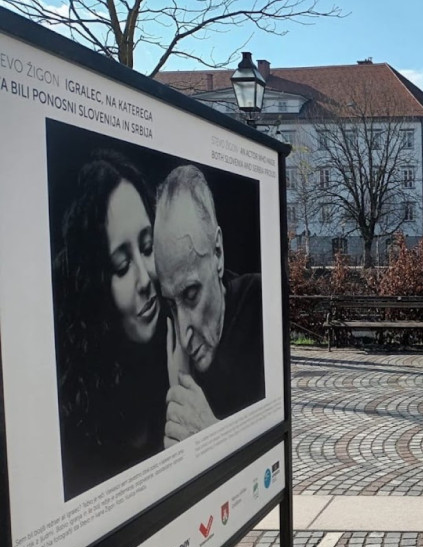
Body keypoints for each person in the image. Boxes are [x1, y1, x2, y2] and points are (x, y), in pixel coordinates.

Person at [52, 150, 167, 499]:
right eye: (121, 266)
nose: (145, 278)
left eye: (147, 247)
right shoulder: (76, 425)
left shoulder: (182, 357)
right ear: (93, 285)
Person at [153, 164, 264, 444]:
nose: (184, 335)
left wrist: (209, 433)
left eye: (191, 294)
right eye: (172, 305)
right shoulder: (170, 349)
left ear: (218, 252)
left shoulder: (259, 305)